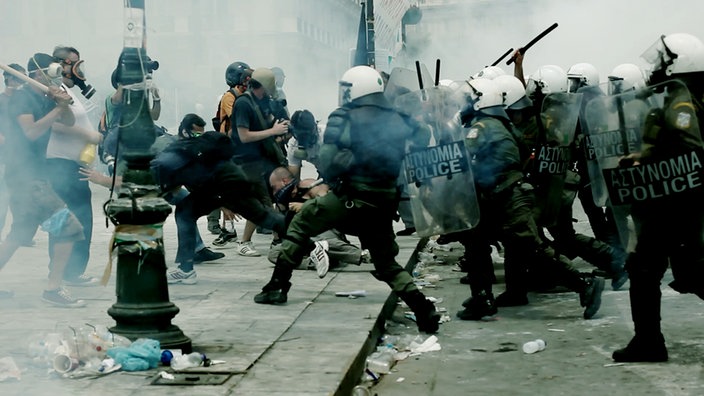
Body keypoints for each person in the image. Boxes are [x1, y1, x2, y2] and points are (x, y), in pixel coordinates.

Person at [253, 65, 441, 335]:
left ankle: (277, 287)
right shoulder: (398, 117)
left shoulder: (345, 116)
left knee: (301, 221)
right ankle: (424, 309)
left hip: (353, 197)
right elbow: (422, 137)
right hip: (385, 201)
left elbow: (329, 162)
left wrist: (351, 162)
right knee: (387, 264)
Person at [454, 77, 604, 321]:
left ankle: (584, 284)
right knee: (476, 243)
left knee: (532, 247)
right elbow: (523, 152)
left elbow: (461, 156)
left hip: (507, 198)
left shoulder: (482, 127)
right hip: (495, 195)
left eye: (468, 99)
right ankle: (481, 297)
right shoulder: (501, 124)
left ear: (480, 100)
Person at [611, 33, 704, 363]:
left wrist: (650, 160)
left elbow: (688, 148)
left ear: (679, 64)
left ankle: (649, 342)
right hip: (670, 200)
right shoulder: (677, 97)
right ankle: (648, 341)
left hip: (674, 202)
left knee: (663, 270)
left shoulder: (681, 104)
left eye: (663, 61)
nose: (655, 67)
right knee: (679, 271)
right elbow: (667, 146)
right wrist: (641, 157)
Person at [80, 114, 225, 266]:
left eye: (201, 135)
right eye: (195, 134)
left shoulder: (186, 149)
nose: (198, 139)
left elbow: (190, 179)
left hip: (159, 182)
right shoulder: (165, 149)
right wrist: (103, 180)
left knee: (186, 201)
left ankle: (196, 250)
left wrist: (218, 201)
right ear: (184, 132)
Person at [0, 53, 85, 307]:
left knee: (19, 234)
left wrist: (63, 103)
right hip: (26, 177)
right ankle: (53, 289)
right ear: (38, 74)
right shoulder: (23, 97)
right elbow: (31, 131)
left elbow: (68, 121)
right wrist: (58, 107)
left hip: (33, 176)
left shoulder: (46, 97)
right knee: (69, 228)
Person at [160, 130, 286, 284]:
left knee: (263, 217)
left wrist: (224, 203)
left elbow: (197, 182)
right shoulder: (177, 153)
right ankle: (185, 269)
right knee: (185, 211)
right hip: (220, 181)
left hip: (229, 183)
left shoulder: (168, 160)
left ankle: (307, 239)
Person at [47, 46, 104, 286]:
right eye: (74, 64)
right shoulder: (52, 92)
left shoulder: (67, 92)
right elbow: (52, 124)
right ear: (61, 65)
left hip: (74, 164)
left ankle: (66, 270)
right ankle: (68, 272)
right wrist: (87, 135)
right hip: (61, 165)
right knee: (73, 218)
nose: (78, 70)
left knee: (76, 217)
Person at [230, 67, 290, 257]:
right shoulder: (243, 104)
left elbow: (271, 122)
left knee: (279, 196)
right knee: (261, 203)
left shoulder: (264, 102)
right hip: (247, 161)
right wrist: (273, 132)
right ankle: (244, 241)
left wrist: (282, 130)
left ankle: (278, 240)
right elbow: (244, 136)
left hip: (265, 158)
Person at [267, 166, 370, 275]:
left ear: (284, 181)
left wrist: (305, 207)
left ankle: (363, 256)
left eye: (274, 187)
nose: (274, 192)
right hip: (304, 239)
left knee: (321, 242)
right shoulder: (282, 202)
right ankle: (319, 260)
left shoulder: (307, 186)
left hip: (324, 231)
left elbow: (329, 207)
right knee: (274, 253)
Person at [208, 61, 252, 237]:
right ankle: (223, 225)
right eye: (245, 78)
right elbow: (238, 118)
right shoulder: (229, 97)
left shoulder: (245, 96)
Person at [0, 64, 26, 245]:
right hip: (4, 155)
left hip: (21, 155)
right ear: (10, 79)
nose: (22, 83)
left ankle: (20, 235)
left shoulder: (25, 101)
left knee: (19, 196)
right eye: (19, 78)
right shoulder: (1, 100)